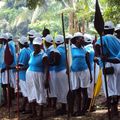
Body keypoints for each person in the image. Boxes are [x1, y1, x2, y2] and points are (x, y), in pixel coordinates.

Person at [95, 21, 120, 116]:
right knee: (117, 87)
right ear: (113, 30)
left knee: (109, 88)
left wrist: (100, 55)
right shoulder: (118, 40)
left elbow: (97, 46)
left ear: (104, 30)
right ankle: (115, 108)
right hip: (118, 64)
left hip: (108, 65)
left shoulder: (103, 38)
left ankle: (113, 109)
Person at [26, 37, 49, 119]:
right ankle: (34, 112)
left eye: (37, 46)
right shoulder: (31, 54)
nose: (36, 47)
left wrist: (46, 80)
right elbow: (30, 64)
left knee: (40, 92)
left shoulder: (44, 55)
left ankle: (41, 114)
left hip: (39, 76)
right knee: (31, 92)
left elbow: (46, 68)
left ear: (40, 46)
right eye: (34, 45)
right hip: (30, 76)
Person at [70, 32, 92, 116]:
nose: (83, 40)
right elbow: (68, 61)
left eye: (83, 38)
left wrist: (90, 73)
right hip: (74, 72)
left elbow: (88, 61)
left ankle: (83, 110)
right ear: (76, 39)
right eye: (81, 38)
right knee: (76, 91)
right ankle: (78, 109)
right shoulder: (71, 49)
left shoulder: (84, 49)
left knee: (84, 90)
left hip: (84, 71)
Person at [54, 35, 69, 115]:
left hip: (60, 72)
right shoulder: (66, 48)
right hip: (65, 71)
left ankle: (64, 108)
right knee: (65, 89)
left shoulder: (57, 50)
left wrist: (51, 63)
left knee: (62, 90)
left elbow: (57, 61)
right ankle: (66, 107)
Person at [1, 33, 17, 106]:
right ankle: (5, 101)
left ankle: (9, 102)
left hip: (7, 69)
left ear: (4, 39)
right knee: (3, 86)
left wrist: (5, 67)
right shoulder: (3, 47)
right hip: (2, 69)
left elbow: (10, 58)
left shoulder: (9, 46)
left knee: (8, 85)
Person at [17, 36, 32, 113]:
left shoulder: (23, 51)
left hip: (23, 75)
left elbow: (21, 65)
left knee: (26, 93)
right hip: (27, 74)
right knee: (27, 92)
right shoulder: (29, 50)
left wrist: (16, 68)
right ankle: (23, 107)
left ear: (21, 44)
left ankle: (29, 108)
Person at [44, 34, 57, 109]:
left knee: (52, 87)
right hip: (49, 70)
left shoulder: (52, 50)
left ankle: (53, 104)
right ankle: (49, 104)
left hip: (52, 71)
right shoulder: (49, 49)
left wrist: (47, 63)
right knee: (49, 87)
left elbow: (53, 61)